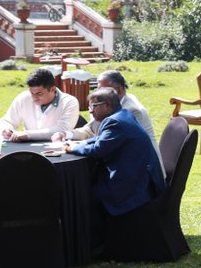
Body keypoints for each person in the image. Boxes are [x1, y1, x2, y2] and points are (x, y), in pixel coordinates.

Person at [58, 87, 165, 218]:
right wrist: (80, 144)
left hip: (134, 182)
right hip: (139, 174)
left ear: (107, 105)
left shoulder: (115, 122)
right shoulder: (123, 114)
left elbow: (98, 149)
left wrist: (73, 149)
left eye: (94, 106)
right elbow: (100, 139)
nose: (90, 111)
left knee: (85, 194)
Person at [54, 70, 155, 144]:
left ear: (119, 90)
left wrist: (74, 146)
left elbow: (107, 142)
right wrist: (65, 134)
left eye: (104, 90)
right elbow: (90, 129)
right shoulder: (105, 105)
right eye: (98, 89)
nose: (100, 93)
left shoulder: (132, 111)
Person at [0, 68, 80, 142]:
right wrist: (6, 129)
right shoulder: (23, 97)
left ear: (52, 89)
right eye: (31, 93)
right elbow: (8, 120)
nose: (34, 98)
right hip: (27, 148)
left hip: (56, 149)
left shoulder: (69, 102)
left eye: (39, 93)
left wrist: (29, 135)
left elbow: (63, 129)